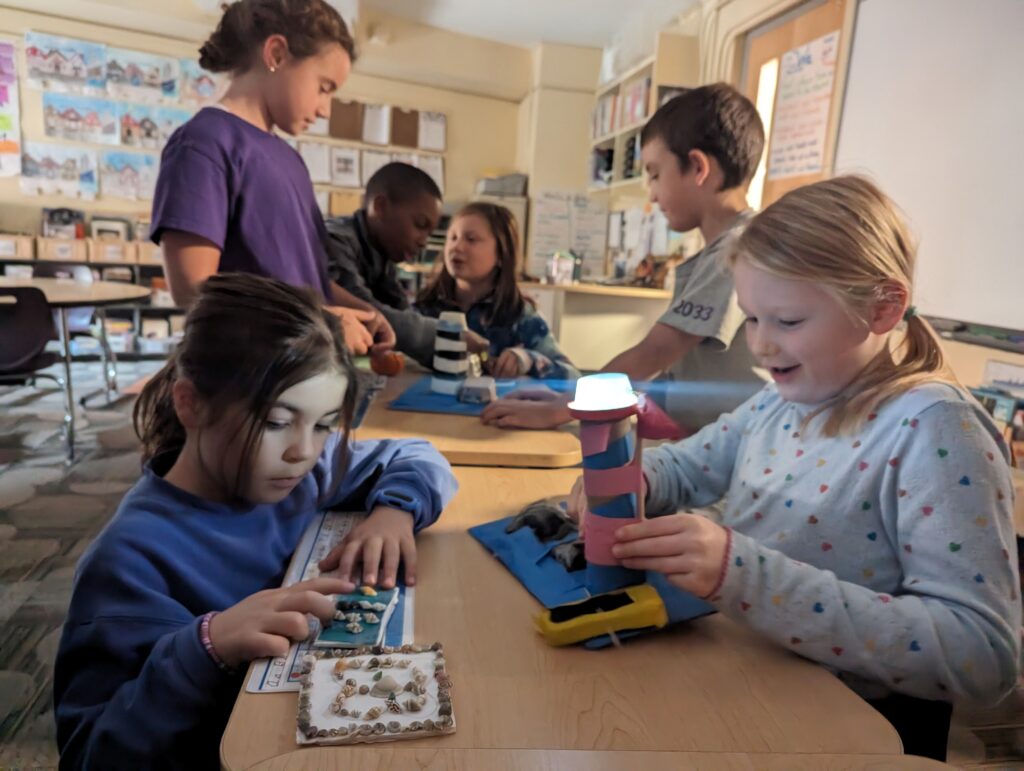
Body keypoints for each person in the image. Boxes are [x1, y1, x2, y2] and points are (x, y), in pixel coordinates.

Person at [579, 176, 1022, 761]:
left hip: (843, 732)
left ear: (882, 307)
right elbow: (688, 465)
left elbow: (983, 656)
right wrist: (626, 481)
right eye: (753, 320)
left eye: (787, 322)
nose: (761, 346)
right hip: (744, 683)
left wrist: (743, 574)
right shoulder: (781, 399)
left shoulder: (938, 431)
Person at [54, 273, 457, 769]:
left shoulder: (307, 472)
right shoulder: (128, 562)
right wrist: (206, 647)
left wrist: (395, 510)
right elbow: (90, 755)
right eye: (275, 422)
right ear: (191, 404)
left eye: (325, 424)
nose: (304, 451)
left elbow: (419, 456)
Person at [482, 84, 768, 429]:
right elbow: (674, 373)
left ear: (696, 167)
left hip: (733, 454)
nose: (652, 194)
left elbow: (655, 353)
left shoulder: (740, 247)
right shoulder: (723, 246)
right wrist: (568, 396)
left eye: (655, 174)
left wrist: (561, 410)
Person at [149, 0, 389, 354]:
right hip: (247, 379)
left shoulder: (290, 159)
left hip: (304, 370)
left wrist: (361, 311)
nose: (325, 110)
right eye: (324, 87)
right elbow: (194, 290)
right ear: (276, 54)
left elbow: (307, 279)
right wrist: (324, 320)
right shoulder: (204, 142)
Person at [415, 202, 580, 380]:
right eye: (453, 237)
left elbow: (573, 376)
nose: (457, 247)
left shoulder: (519, 316)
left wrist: (527, 360)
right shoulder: (426, 307)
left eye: (471, 239)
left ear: (502, 254)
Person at [324, 162, 449, 364]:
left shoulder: (380, 251)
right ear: (380, 207)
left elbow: (400, 309)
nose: (424, 241)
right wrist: (450, 336)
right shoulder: (335, 241)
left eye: (430, 232)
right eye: (420, 225)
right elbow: (369, 313)